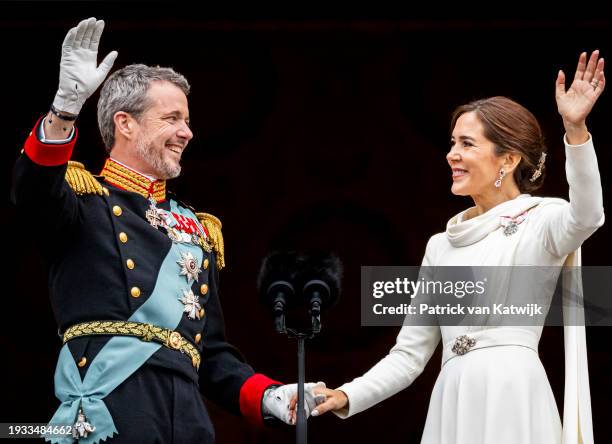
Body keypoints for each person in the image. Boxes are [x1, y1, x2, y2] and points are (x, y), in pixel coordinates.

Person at [11, 17, 324, 444]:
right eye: (172, 118)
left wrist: (270, 395)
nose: (187, 133)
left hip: (186, 419)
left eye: (187, 120)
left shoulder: (196, 229)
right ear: (126, 124)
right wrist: (65, 108)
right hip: (111, 409)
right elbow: (32, 190)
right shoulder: (83, 202)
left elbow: (210, 353)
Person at [308, 51, 606, 444]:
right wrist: (347, 394)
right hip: (453, 399)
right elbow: (409, 356)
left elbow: (588, 216)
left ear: (509, 158)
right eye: (453, 143)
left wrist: (576, 130)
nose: (452, 154)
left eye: (467, 144)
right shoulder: (440, 246)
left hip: (513, 396)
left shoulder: (542, 220)